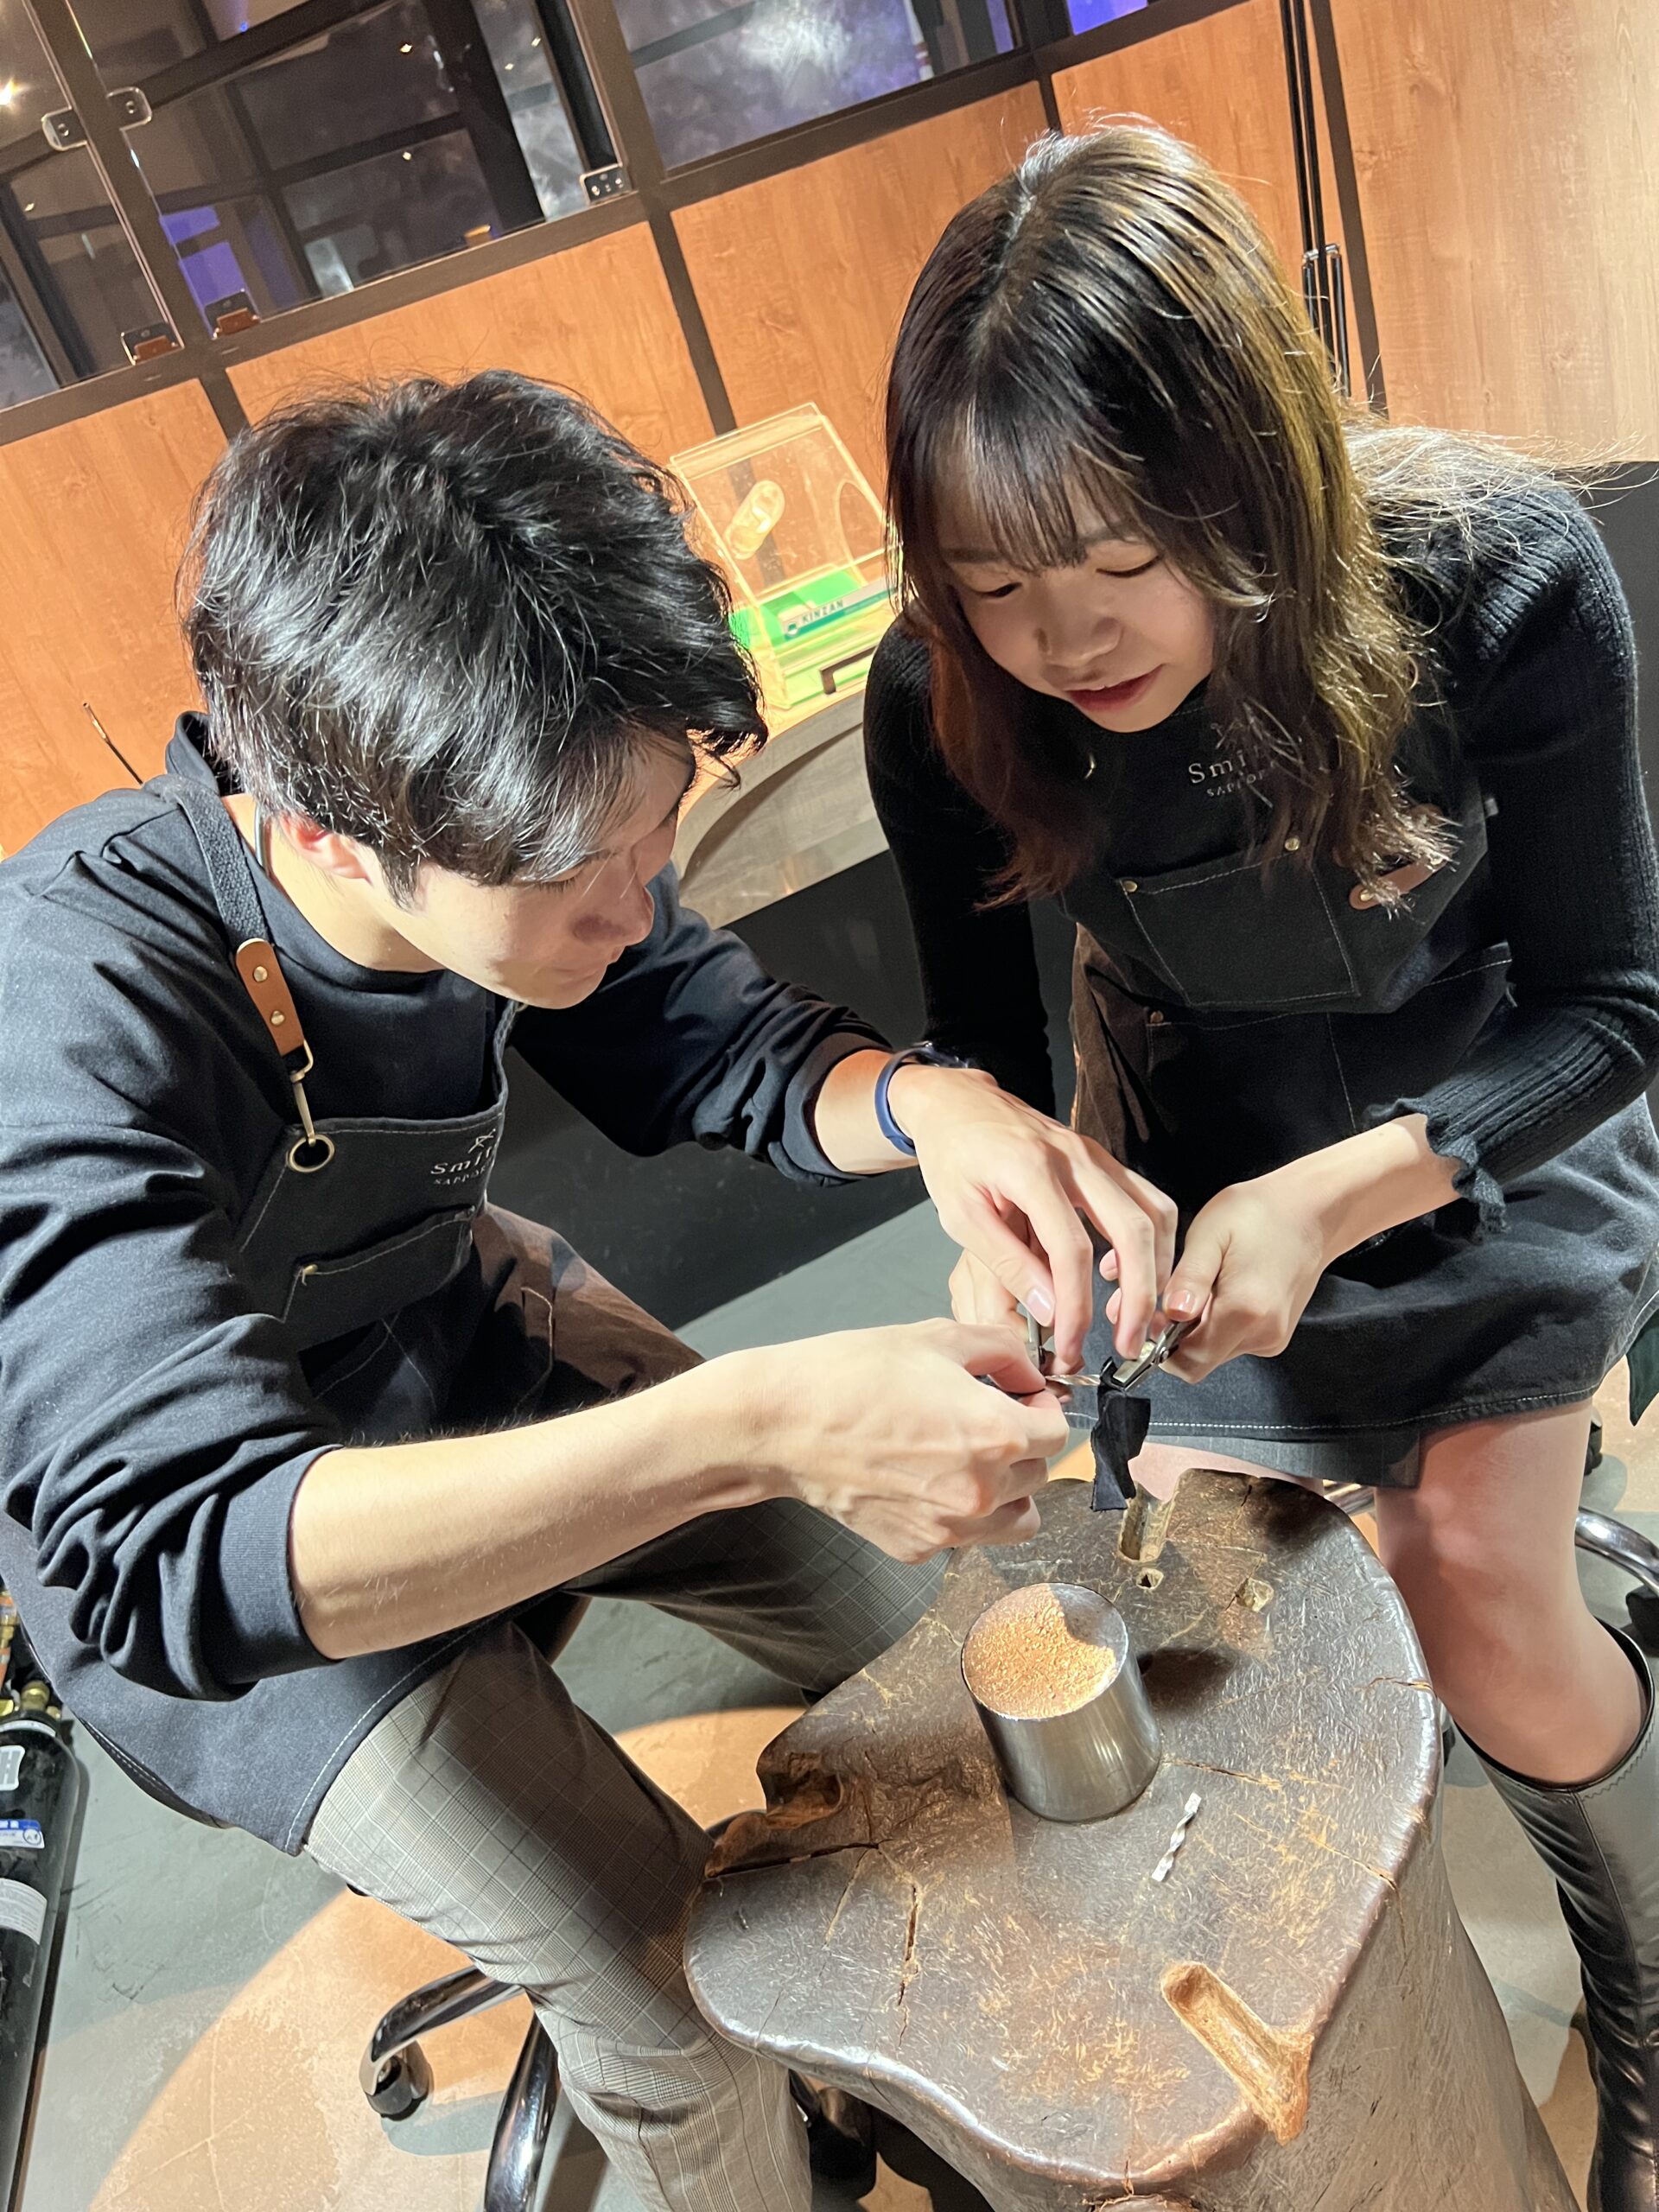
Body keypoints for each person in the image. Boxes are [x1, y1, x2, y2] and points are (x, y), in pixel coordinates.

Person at [0, 372, 1188, 2212]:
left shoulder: (519, 835)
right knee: (676, 2006)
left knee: (952, 1650)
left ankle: (941, 2075)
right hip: (267, 1581)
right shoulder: (67, 1004)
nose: (642, 905)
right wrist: (753, 1421)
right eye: (588, 877)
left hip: (454, 1328)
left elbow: (708, 1034)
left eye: (658, 839)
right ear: (329, 836)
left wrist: (935, 1109)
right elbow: (185, 1547)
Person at [866, 124, 1659, 2210]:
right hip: (1198, 1162)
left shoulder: (1492, 574)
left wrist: (1340, 1197)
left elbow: (1620, 1006)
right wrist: (1013, 1220)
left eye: (1118, 555)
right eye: (995, 582)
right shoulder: (940, 694)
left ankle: (1651, 1997)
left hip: (1493, 1125)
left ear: (1247, 471)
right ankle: (1383, 2081)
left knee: (1474, 1593)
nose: (1063, 636)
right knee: (1229, 1647)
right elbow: (983, 1066)